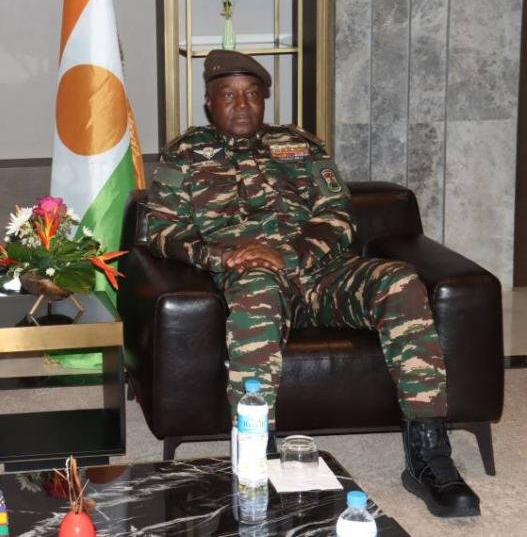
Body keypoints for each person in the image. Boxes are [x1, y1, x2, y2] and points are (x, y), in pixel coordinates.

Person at [145, 50, 480, 518]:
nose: (241, 105)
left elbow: (338, 217)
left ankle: (428, 453)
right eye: (228, 95)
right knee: (257, 292)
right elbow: (161, 231)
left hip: (323, 273)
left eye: (251, 94)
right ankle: (257, 456)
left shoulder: (299, 145)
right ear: (209, 102)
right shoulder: (184, 154)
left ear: (264, 100)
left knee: (400, 281)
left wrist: (289, 254)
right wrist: (219, 255)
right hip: (252, 277)